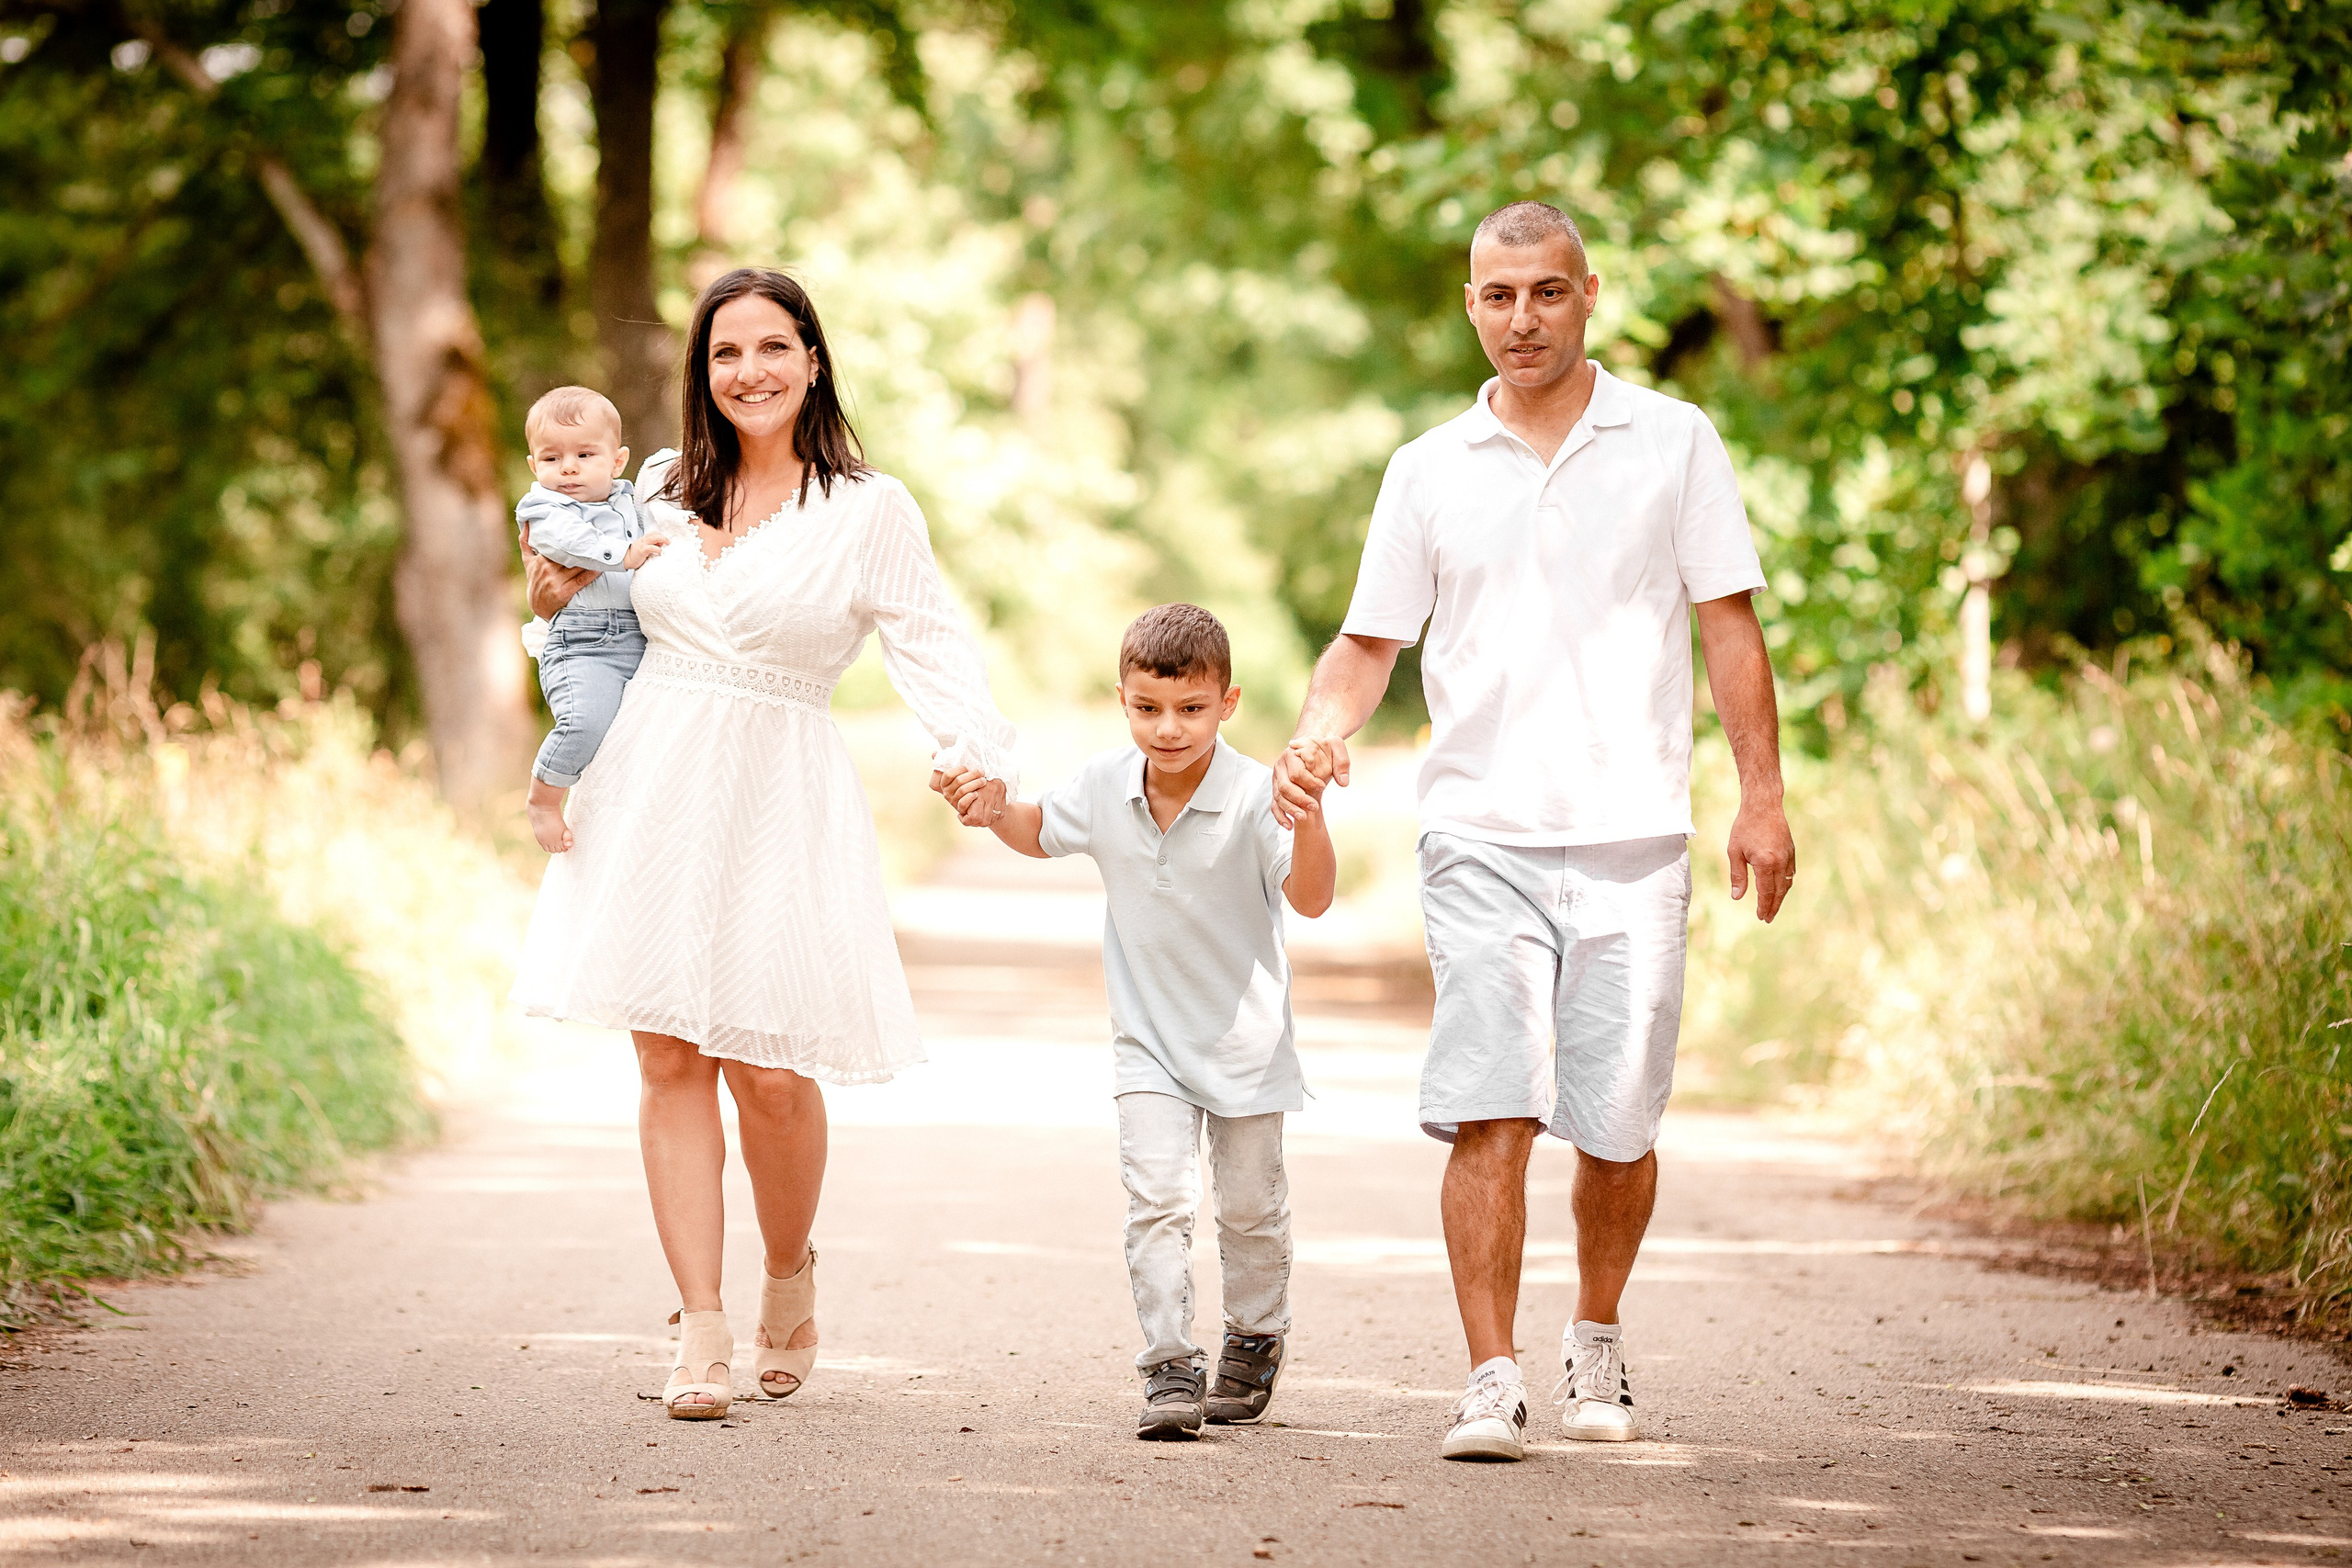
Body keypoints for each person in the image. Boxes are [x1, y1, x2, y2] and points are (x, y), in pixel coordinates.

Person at [1273, 201, 1795, 1462]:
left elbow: (1729, 622)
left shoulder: (1673, 440)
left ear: (1588, 294)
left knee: (1617, 1124)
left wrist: (1762, 794)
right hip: (1479, 831)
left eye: (1546, 292)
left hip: (1635, 833)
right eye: (1498, 295)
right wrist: (1315, 732)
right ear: (1470, 305)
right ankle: (1490, 1374)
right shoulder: (1427, 467)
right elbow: (1369, 640)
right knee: (1491, 1104)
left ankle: (1597, 1334)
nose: (1522, 317)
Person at [511, 268, 1017, 1422]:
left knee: (772, 1074)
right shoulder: (654, 487)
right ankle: (700, 1325)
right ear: (702, 372)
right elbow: (576, 613)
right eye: (724, 352)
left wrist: (975, 754)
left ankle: (788, 1269)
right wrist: (544, 601)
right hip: (651, 776)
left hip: (782, 785)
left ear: (812, 360)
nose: (748, 372)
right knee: (667, 1055)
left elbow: (932, 644)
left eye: (771, 347)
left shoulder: (868, 507)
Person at [941, 604, 1337, 1440]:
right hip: (1148, 1045)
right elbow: (1037, 828)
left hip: (1246, 1047)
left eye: (1190, 708)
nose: (1168, 728)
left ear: (1227, 703)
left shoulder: (1259, 794)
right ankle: (1168, 1364)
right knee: (1156, 1200)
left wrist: (1311, 817)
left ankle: (1256, 1334)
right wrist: (990, 806)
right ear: (1122, 699)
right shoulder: (1103, 784)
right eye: (1148, 708)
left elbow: (1312, 896)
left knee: (1249, 1211)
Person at [514, 385, 673, 853]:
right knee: (584, 721)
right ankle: (544, 798)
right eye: (551, 458)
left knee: (634, 743)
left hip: (641, 641)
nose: (567, 468)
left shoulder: (633, 502)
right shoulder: (544, 507)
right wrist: (623, 554)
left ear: (617, 461)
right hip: (583, 643)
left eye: (585, 454)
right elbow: (566, 541)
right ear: (533, 466)